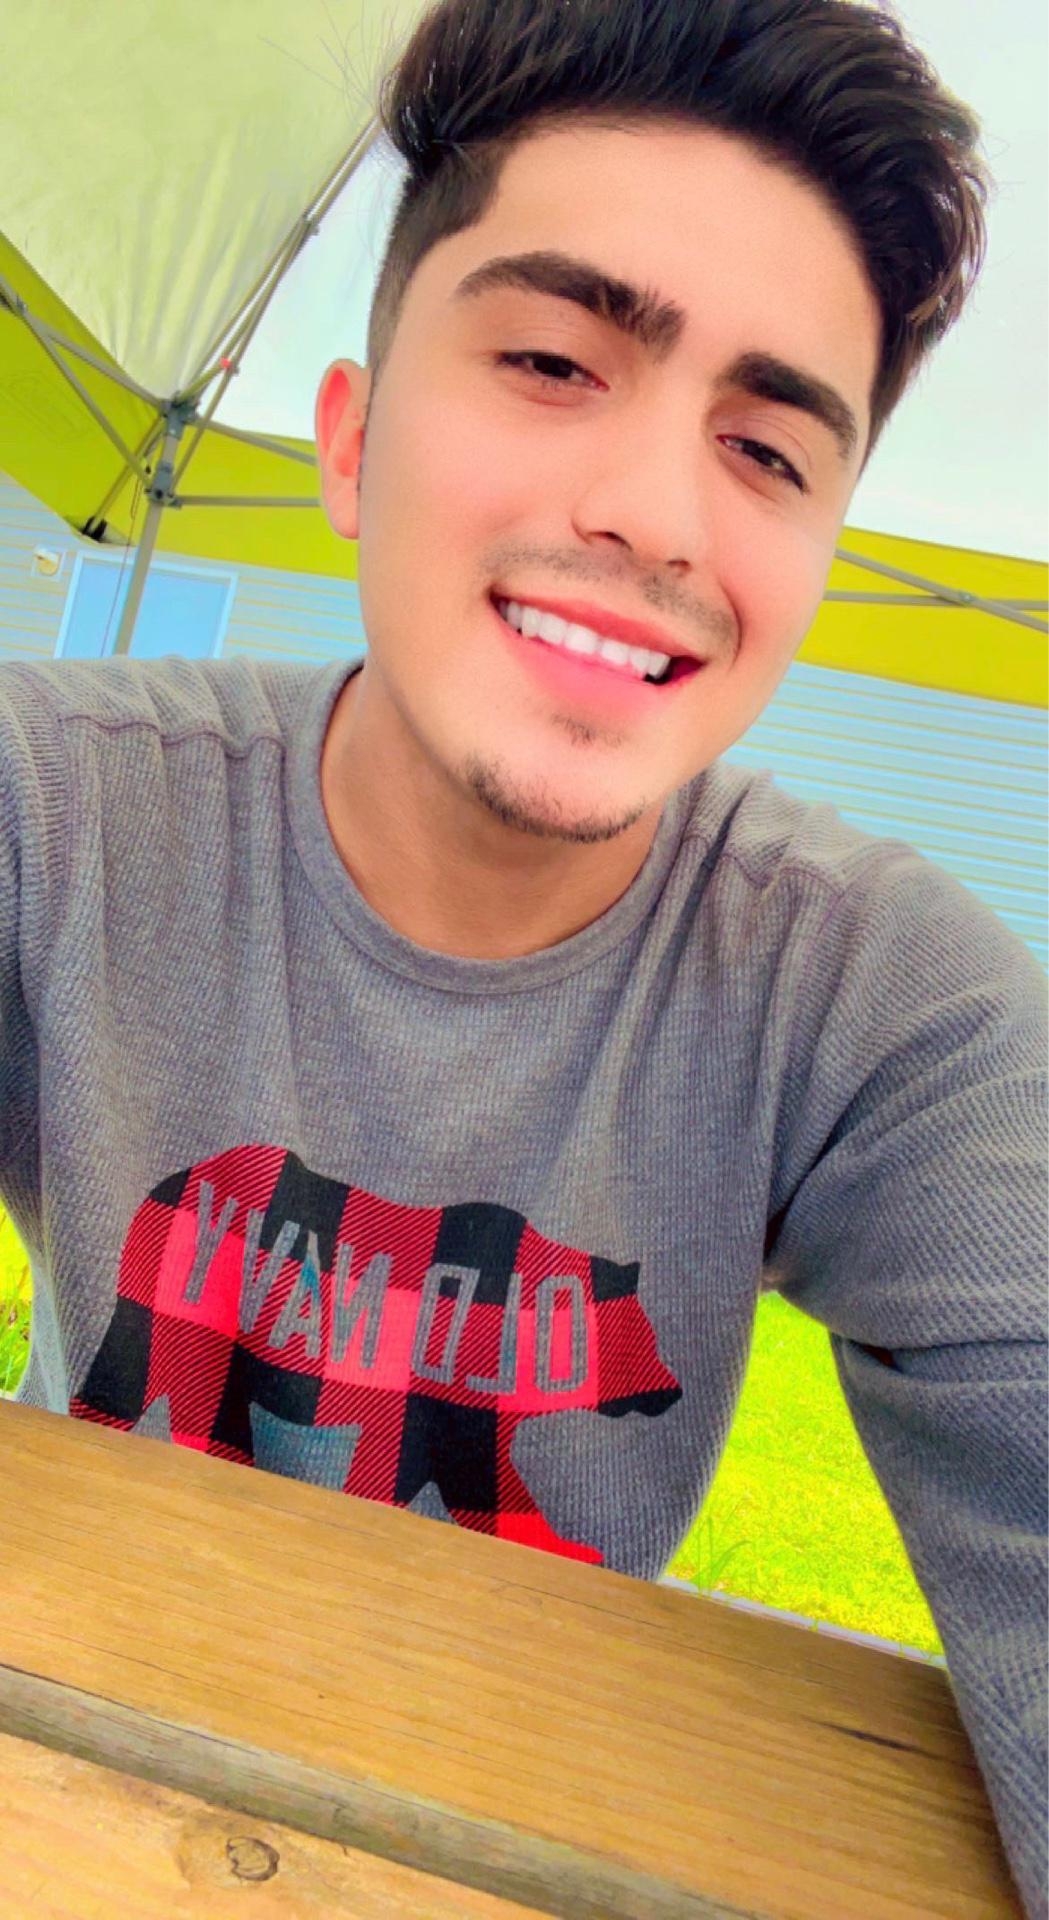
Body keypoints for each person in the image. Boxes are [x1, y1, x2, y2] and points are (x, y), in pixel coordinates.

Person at [1, 0, 1045, 1909]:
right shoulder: (53, 815)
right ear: (351, 442)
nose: (654, 515)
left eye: (765, 448)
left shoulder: (890, 1019)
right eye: (554, 360)